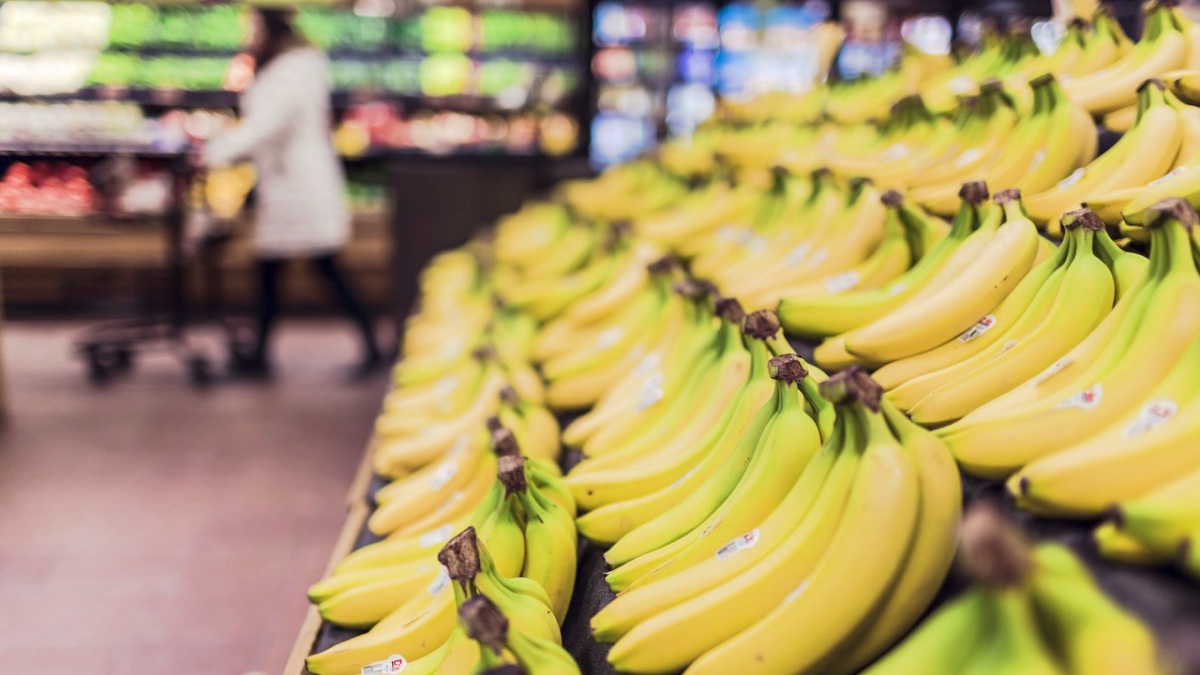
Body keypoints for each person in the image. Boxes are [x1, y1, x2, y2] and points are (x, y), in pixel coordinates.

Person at [202, 7, 383, 379]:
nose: (249, 35)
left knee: (321, 268)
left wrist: (217, 151)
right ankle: (262, 353)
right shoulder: (294, 67)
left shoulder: (291, 72)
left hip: (298, 186)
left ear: (269, 28)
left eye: (253, 27)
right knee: (276, 270)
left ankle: (368, 344)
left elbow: (267, 127)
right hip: (288, 183)